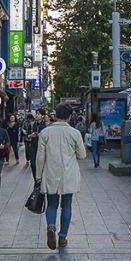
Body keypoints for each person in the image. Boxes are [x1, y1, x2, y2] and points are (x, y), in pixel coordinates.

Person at [36, 102, 86, 250]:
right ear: (70, 116)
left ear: (55, 115)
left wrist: (38, 176)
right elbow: (82, 155)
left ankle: (51, 226)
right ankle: (63, 236)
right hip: (68, 174)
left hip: (50, 173)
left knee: (52, 204)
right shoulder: (74, 133)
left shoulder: (45, 132)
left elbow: (40, 157)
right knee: (67, 205)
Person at [23, 110, 44, 179]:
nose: (36, 115)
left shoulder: (45, 125)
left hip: (43, 146)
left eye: (38, 114)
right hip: (33, 146)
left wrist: (39, 135)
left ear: (42, 116)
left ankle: (41, 180)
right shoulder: (32, 124)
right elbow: (28, 135)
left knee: (42, 164)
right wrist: (31, 135)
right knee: (33, 164)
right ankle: (36, 180)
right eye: (36, 114)